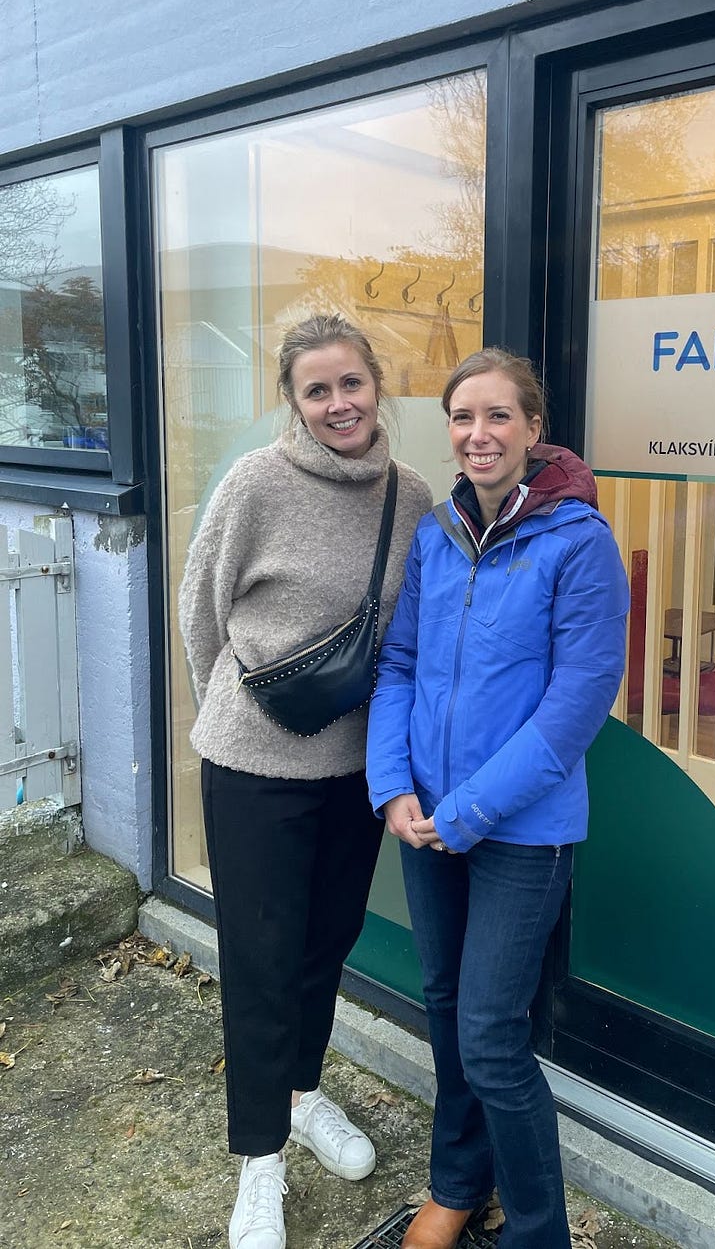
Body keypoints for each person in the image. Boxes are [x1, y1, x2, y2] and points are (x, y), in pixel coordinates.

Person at [367, 349, 630, 1249]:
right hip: (426, 819)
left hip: (521, 830)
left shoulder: (578, 541)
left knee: (489, 1033)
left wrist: (471, 807)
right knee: (444, 1006)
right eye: (462, 417)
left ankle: (537, 1231)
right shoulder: (438, 533)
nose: (478, 434)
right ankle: (455, 1184)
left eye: (498, 417)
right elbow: (398, 664)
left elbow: (575, 708)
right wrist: (391, 784)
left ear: (532, 430)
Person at [179, 314, 432, 1249]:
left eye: (351, 385)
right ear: (293, 401)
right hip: (254, 760)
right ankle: (260, 1159)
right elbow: (200, 608)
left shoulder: (410, 497)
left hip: (354, 766)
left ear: (378, 388)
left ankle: (305, 1091)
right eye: (316, 390)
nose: (338, 404)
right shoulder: (255, 482)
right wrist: (233, 708)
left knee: (329, 937)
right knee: (260, 955)